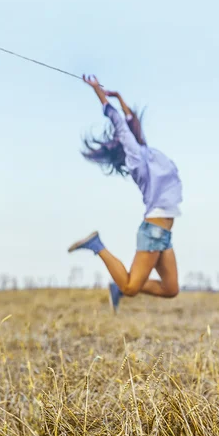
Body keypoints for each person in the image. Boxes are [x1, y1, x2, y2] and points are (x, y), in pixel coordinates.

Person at [68, 75, 183, 313]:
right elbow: (120, 122)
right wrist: (98, 92)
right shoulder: (136, 158)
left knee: (171, 289)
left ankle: (118, 288)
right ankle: (97, 245)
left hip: (163, 234)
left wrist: (120, 97)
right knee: (131, 287)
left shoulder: (145, 151)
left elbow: (131, 123)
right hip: (154, 230)